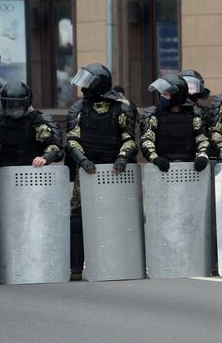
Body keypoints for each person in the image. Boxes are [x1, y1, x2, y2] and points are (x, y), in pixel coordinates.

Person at [66, 63, 138, 280]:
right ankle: (76, 267)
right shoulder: (78, 109)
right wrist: (83, 160)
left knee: (117, 215)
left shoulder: (122, 108)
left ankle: (121, 261)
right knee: (78, 217)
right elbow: (72, 140)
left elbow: (129, 139)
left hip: (114, 171)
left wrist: (123, 157)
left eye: (88, 83)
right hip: (87, 171)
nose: (83, 88)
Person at [140, 74, 210, 172]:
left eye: (166, 94)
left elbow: (202, 139)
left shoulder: (194, 114)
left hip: (190, 169)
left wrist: (203, 156)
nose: (161, 97)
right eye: (161, 94)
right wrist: (155, 159)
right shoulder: (154, 114)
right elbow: (147, 139)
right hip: (162, 169)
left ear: (178, 96)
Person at [0, 81, 64, 167]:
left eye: (18, 106)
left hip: (31, 175)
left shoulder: (36, 122)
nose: (14, 110)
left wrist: (44, 158)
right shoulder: (0, 122)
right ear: (4, 104)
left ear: (26, 103)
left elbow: (54, 147)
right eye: (10, 105)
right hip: (4, 176)